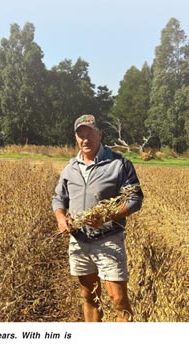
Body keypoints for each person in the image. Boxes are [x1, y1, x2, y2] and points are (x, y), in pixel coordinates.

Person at [52, 114, 143, 322]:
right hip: (79, 241)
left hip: (108, 240)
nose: (85, 139)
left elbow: (135, 198)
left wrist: (107, 215)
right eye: (81, 135)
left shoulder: (118, 164)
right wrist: (60, 218)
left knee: (118, 300)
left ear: (99, 134)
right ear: (76, 138)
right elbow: (59, 198)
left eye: (90, 134)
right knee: (89, 298)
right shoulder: (70, 168)